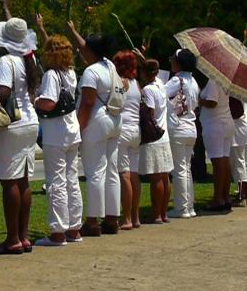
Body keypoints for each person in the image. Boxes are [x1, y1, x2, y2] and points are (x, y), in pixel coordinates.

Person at [0, 2, 41, 254]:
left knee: (9, 182)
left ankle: (12, 238)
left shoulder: (6, 61)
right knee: (24, 180)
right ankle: (24, 235)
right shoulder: (29, 61)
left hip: (13, 124)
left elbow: (3, 91)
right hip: (30, 122)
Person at [69, 23, 124, 235]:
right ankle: (112, 218)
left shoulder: (91, 72)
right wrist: (75, 30)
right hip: (114, 119)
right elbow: (85, 45)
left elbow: (87, 102)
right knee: (111, 171)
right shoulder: (109, 65)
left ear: (90, 51)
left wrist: (79, 127)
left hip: (97, 121)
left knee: (95, 172)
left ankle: (92, 221)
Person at [33, 35, 83, 246]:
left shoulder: (52, 75)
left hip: (56, 133)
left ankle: (57, 231)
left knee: (56, 182)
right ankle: (74, 228)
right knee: (71, 180)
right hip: (72, 130)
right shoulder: (70, 73)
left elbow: (49, 103)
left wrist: (34, 99)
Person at [166, 49, 200, 218]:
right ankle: (189, 206)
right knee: (186, 169)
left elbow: (160, 94)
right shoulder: (193, 81)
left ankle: (181, 208)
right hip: (191, 127)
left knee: (179, 169)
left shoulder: (176, 80)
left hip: (178, 127)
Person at [140, 58, 174, 223]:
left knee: (156, 178)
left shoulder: (147, 90)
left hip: (154, 136)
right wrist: (143, 57)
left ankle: (156, 214)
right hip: (164, 135)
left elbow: (149, 114)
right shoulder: (161, 85)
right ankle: (164, 212)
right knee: (165, 176)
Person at [114, 50, 143, 230]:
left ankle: (126, 218)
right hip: (136, 130)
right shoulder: (136, 84)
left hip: (123, 129)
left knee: (123, 175)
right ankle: (135, 215)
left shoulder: (121, 83)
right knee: (134, 174)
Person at [200, 77, 234, 211]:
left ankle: (218, 198)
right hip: (225, 121)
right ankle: (225, 196)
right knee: (224, 160)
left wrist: (199, 101)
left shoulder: (214, 80)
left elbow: (212, 102)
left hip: (215, 124)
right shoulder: (224, 80)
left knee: (218, 162)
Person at [230, 96, 247, 207]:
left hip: (239, 125)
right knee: (246, 161)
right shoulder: (245, 90)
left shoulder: (236, 92)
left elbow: (236, 112)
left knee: (239, 161)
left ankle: (241, 195)